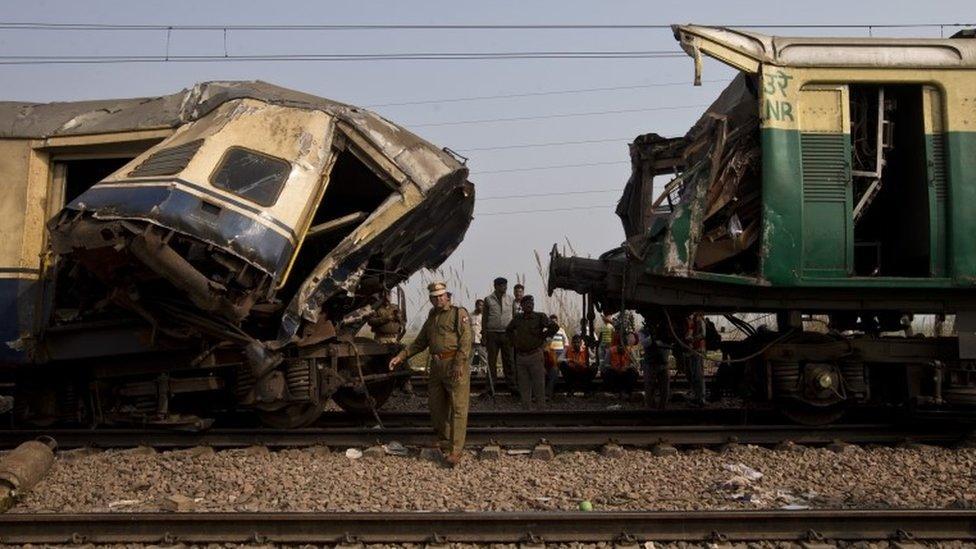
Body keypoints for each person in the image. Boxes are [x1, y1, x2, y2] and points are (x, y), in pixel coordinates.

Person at [389, 282, 473, 467]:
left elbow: (466, 340)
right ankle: (444, 442)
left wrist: (459, 362)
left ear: (447, 296)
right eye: (434, 297)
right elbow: (420, 342)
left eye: (441, 295)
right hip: (436, 366)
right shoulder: (432, 316)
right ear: (430, 299)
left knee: (458, 408)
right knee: (436, 407)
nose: (438, 299)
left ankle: (455, 451)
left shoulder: (459, 313)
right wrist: (401, 356)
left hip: (454, 365)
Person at [505, 295, 558, 409]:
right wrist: (514, 342)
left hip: (535, 354)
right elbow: (508, 330)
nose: (529, 305)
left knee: (539, 385)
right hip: (521, 356)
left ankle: (541, 412)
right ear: (522, 306)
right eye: (527, 304)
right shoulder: (517, 318)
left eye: (531, 303)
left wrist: (543, 336)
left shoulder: (540, 317)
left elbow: (554, 327)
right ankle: (526, 412)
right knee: (524, 386)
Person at [482, 277, 516, 394]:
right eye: (502, 285)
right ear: (496, 286)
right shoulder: (488, 300)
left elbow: (515, 317)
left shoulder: (511, 299)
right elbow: (484, 318)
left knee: (509, 361)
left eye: (506, 285)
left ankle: (512, 387)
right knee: (491, 362)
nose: (505, 288)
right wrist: (484, 335)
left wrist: (514, 334)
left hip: (507, 334)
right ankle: (490, 388)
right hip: (492, 334)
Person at [683, 312, 707, 406]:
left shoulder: (699, 319)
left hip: (697, 350)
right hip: (688, 351)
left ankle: (700, 398)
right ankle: (696, 395)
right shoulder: (686, 319)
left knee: (697, 374)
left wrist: (692, 339)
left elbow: (703, 334)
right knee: (690, 374)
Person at [545, 315, 568, 398]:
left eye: (555, 321)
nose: (554, 322)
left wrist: (562, 355)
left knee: (555, 370)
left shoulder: (561, 330)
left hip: (559, 352)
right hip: (549, 353)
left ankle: (550, 391)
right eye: (552, 321)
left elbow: (566, 343)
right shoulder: (546, 331)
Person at [469, 299, 487, 373]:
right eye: (479, 305)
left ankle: (484, 371)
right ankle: (469, 371)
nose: (481, 307)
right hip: (472, 340)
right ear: (476, 305)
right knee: (470, 357)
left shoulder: (485, 316)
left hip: (481, 340)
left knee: (483, 357)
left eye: (482, 305)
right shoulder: (470, 315)